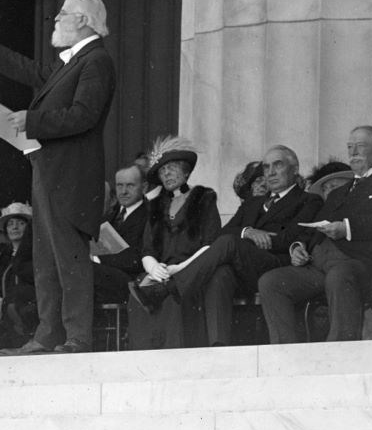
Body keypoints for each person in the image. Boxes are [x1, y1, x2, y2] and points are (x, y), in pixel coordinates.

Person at [0, 0, 115, 355]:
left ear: (82, 20)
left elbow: (85, 114)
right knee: (46, 261)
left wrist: (32, 120)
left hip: (71, 177)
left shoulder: (96, 61)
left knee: (68, 258)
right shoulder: (72, 61)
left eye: (62, 13)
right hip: (49, 172)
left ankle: (76, 338)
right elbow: (37, 73)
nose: (55, 20)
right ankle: (47, 335)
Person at [130, 145, 322, 346]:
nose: (271, 172)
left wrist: (253, 237)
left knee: (229, 243)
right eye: (266, 168)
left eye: (278, 165)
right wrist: (247, 232)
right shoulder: (253, 203)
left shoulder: (309, 200)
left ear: (295, 168)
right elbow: (223, 232)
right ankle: (218, 346)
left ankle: (171, 287)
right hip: (244, 267)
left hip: (276, 265)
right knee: (220, 273)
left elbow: (292, 237)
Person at [258, 125, 372, 343]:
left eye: (360, 146)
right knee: (271, 282)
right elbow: (312, 227)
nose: (353, 152)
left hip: (358, 262)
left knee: (339, 275)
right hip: (319, 264)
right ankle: (283, 354)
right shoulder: (339, 192)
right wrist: (298, 247)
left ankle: (340, 350)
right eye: (350, 147)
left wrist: (346, 227)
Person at [128, 136, 221, 350]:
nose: (166, 174)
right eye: (162, 171)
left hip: (191, 272)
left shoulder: (204, 198)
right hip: (161, 273)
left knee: (173, 297)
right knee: (137, 297)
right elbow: (147, 249)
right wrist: (153, 267)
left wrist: (181, 268)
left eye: (172, 168)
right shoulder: (155, 206)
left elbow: (211, 243)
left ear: (186, 171)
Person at [91, 164, 149, 304]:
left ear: (144, 187)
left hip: (131, 282)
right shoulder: (110, 216)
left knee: (80, 269)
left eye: (130, 186)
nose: (123, 191)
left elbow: (137, 259)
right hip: (103, 277)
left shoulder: (150, 217)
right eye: (119, 185)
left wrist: (98, 259)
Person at [0, 203, 36, 344]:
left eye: (21, 223)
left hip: (26, 314)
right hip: (1, 313)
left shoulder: (35, 254)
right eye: (10, 224)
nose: (15, 227)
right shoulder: (3, 256)